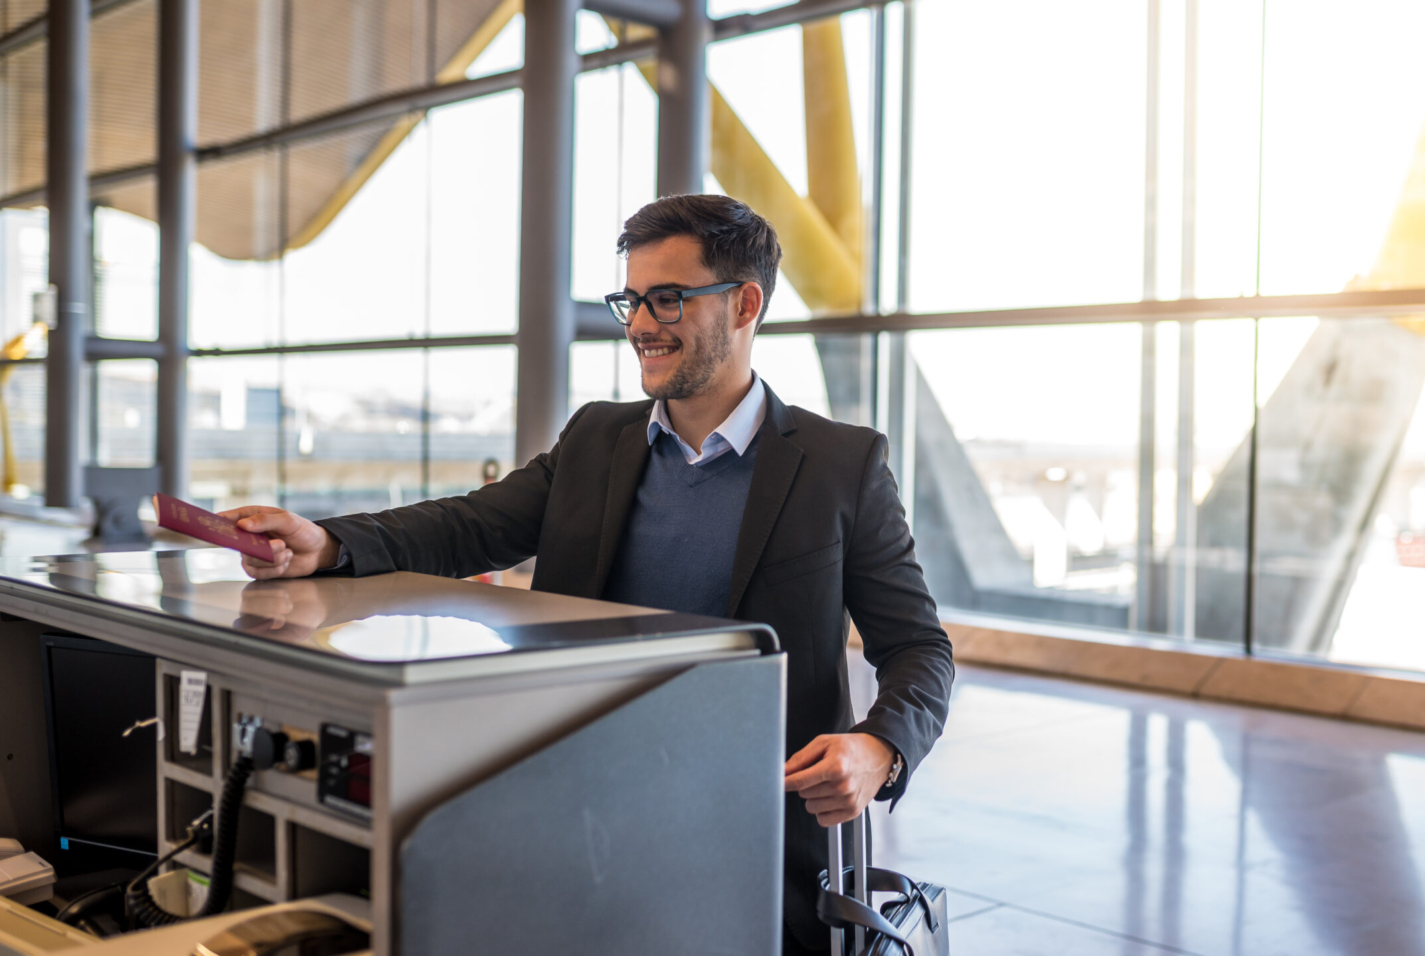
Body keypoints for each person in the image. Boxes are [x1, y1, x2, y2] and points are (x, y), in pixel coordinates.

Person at [222, 194, 955, 954]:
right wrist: (329, 544)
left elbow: (919, 648)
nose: (640, 324)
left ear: (745, 304)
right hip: (577, 815)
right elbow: (467, 526)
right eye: (631, 300)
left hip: (756, 839)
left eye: (667, 299)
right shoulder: (594, 440)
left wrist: (878, 749)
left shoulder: (841, 465)